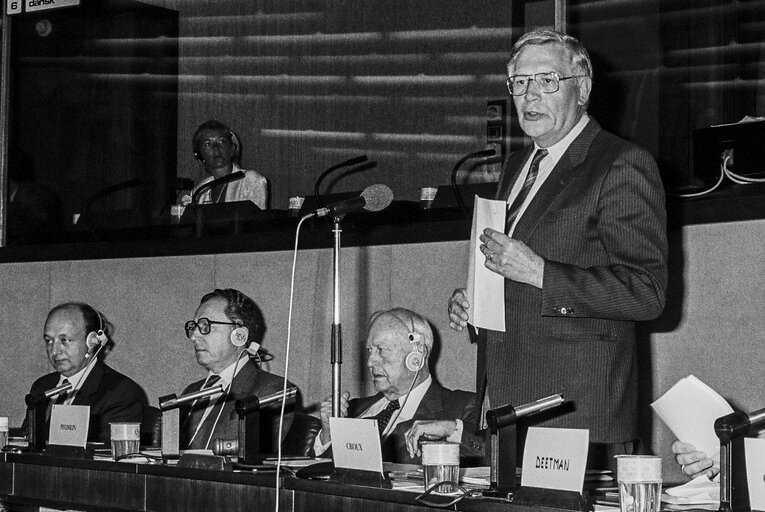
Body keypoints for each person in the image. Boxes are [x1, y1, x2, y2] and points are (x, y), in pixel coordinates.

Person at [447, 29, 668, 468]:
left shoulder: (621, 163)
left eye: (546, 80)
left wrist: (540, 273)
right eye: (519, 83)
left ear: (582, 88)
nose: (530, 95)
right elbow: (512, 273)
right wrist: (479, 303)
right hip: (508, 411)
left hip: (578, 416)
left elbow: (647, 292)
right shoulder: (516, 166)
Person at [315, 308, 484, 464]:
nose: (370, 362)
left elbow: (498, 458)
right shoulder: (351, 410)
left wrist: (452, 430)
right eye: (369, 351)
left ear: (417, 356)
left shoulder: (464, 407)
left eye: (381, 350)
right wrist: (330, 433)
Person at [180, 288, 295, 453]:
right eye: (194, 326)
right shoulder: (191, 392)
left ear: (239, 334)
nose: (194, 336)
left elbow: (255, 458)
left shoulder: (272, 392)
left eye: (206, 326)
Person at [23, 303, 147, 444]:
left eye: (65, 340)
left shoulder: (121, 392)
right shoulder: (42, 386)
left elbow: (109, 457)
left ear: (92, 342)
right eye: (49, 341)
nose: (55, 351)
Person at [188, 119, 268, 209]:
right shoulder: (199, 192)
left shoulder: (251, 180)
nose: (216, 148)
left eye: (221, 141)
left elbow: (258, 221)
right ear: (199, 154)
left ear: (232, 148)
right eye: (208, 144)